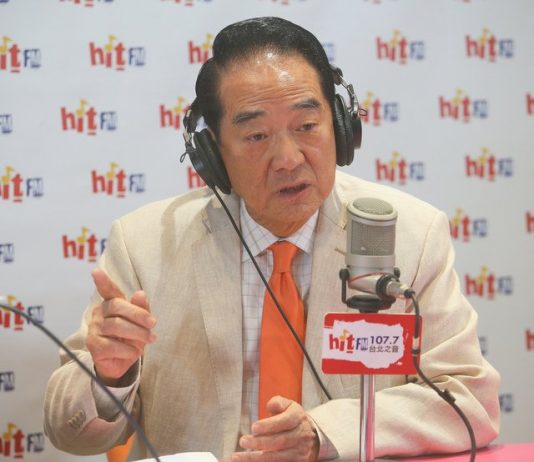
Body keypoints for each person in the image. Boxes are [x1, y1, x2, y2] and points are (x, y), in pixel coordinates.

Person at [44, 17, 500, 462]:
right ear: (213, 152)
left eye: (307, 126)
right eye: (257, 135)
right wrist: (109, 375)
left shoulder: (410, 234)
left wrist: (326, 433)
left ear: (341, 126)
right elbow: (69, 430)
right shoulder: (144, 245)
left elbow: (469, 401)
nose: (288, 159)